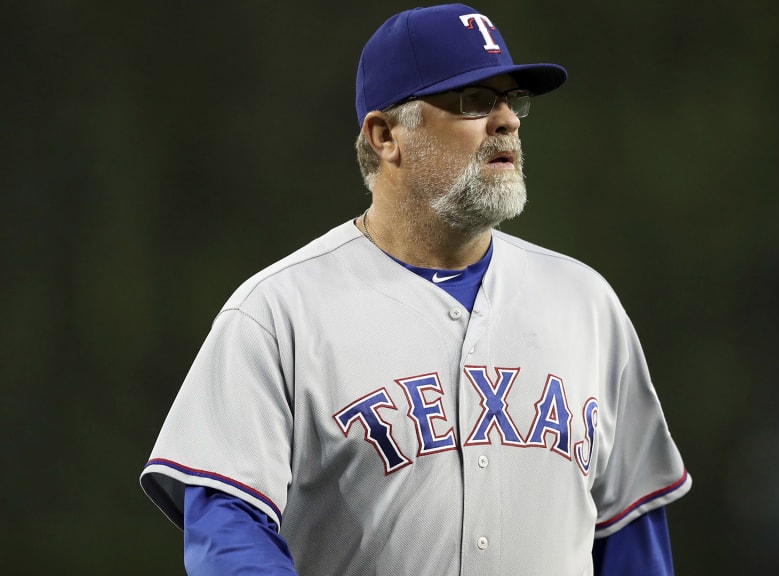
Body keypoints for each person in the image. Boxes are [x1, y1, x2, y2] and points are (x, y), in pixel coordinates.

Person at [140, 4, 691, 575]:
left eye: (512, 100)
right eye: (474, 101)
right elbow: (227, 527)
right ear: (385, 136)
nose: (507, 121)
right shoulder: (279, 313)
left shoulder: (585, 302)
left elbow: (630, 529)